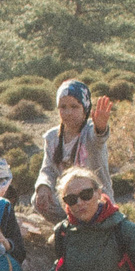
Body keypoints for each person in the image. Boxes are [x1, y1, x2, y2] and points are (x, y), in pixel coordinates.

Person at [31, 81, 112, 223]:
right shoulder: (52, 137)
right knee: (38, 199)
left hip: (93, 200)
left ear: (85, 109)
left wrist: (101, 127)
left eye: (74, 107)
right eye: (63, 107)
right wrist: (43, 186)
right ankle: (68, 228)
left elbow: (99, 137)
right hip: (71, 199)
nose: (68, 112)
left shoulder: (90, 132)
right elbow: (47, 169)